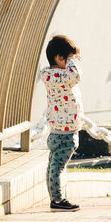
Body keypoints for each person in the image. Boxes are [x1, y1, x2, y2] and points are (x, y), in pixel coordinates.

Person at [41, 34, 85, 212]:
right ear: (59, 58)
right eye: (67, 58)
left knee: (53, 166)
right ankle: (58, 201)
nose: (71, 62)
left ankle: (55, 198)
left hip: (56, 131)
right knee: (58, 168)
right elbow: (76, 75)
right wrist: (73, 60)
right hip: (65, 133)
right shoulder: (62, 75)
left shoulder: (50, 75)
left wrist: (70, 57)